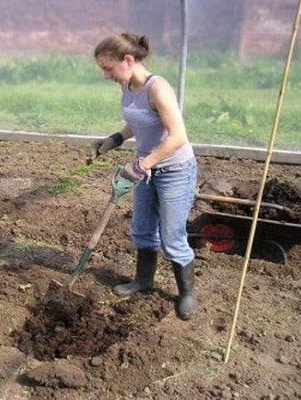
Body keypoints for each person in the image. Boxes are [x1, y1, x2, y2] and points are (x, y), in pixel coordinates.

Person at [89, 32, 198, 320]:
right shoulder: (127, 86)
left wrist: (142, 164)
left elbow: (177, 137)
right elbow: (138, 121)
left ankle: (187, 293)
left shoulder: (158, 88)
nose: (106, 75)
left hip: (174, 170)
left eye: (108, 68)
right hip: (147, 169)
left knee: (172, 236)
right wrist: (115, 139)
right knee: (142, 229)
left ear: (128, 60)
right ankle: (144, 281)